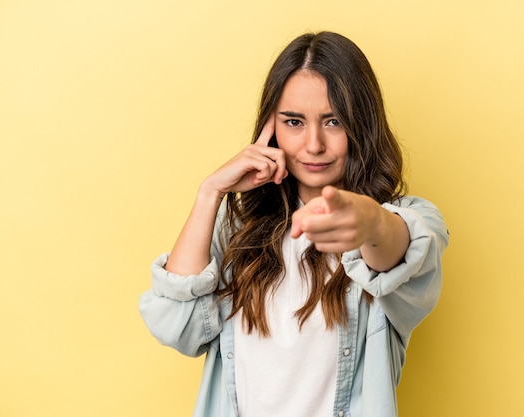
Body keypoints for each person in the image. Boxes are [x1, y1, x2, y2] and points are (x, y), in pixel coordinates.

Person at [139, 31, 449, 417]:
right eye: (294, 122)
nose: (314, 144)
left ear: (361, 126)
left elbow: (399, 246)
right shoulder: (237, 228)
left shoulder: (408, 220)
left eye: (334, 121)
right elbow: (175, 327)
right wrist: (210, 192)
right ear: (271, 127)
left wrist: (369, 222)